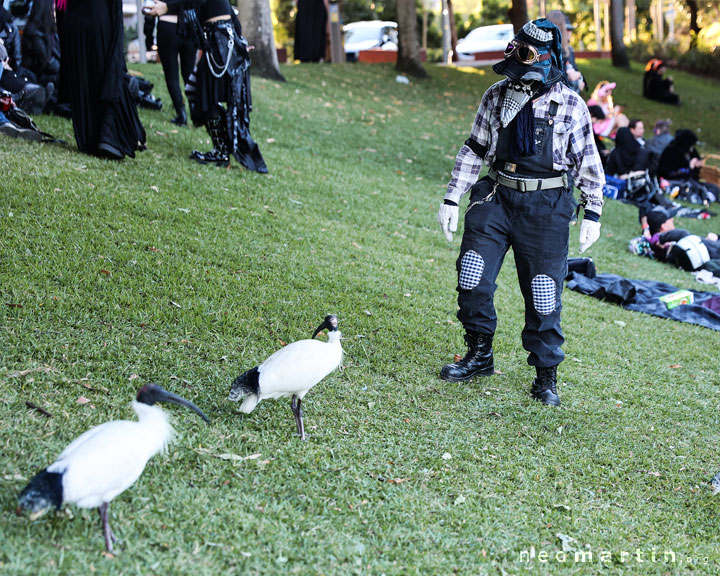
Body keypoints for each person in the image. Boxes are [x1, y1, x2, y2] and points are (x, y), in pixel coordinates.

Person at [436, 18, 605, 407]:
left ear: (545, 60)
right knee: (471, 273)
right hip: (496, 195)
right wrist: (452, 197)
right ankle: (479, 354)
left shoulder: (570, 104)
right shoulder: (497, 95)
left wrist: (593, 212)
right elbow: (475, 148)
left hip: (546, 208)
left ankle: (545, 377)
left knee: (544, 295)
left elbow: (588, 164)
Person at [145, 0, 267, 172]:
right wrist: (240, 41)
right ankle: (222, 149)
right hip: (219, 40)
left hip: (220, 40)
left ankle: (222, 151)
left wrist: (166, 7)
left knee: (204, 94)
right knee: (201, 92)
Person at [55, 0, 146, 160]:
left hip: (73, 20)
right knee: (106, 71)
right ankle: (106, 136)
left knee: (83, 78)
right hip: (97, 17)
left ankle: (92, 138)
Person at [150, 7, 198, 126]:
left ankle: (181, 115)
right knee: (189, 74)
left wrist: (148, 38)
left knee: (172, 76)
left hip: (167, 25)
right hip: (189, 25)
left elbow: (150, 9)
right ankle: (195, 112)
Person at [658, 129, 718, 204]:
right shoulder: (671, 152)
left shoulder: (690, 151)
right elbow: (669, 173)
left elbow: (696, 161)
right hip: (676, 181)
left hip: (691, 180)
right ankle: (703, 198)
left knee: (714, 188)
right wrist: (689, 167)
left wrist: (697, 165)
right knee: (694, 189)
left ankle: (708, 197)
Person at [647, 209, 720, 266]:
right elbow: (681, 234)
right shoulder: (659, 239)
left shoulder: (661, 240)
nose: (672, 221)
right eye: (669, 220)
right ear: (663, 226)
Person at [21, 0, 60, 88]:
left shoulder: (50, 32)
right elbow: (46, 62)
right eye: (53, 10)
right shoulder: (35, 35)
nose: (54, 13)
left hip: (50, 74)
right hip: (41, 78)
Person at [546, 10, 584, 94]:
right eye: (567, 29)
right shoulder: (548, 52)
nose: (569, 33)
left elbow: (575, 71)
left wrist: (579, 76)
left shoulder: (567, 51)